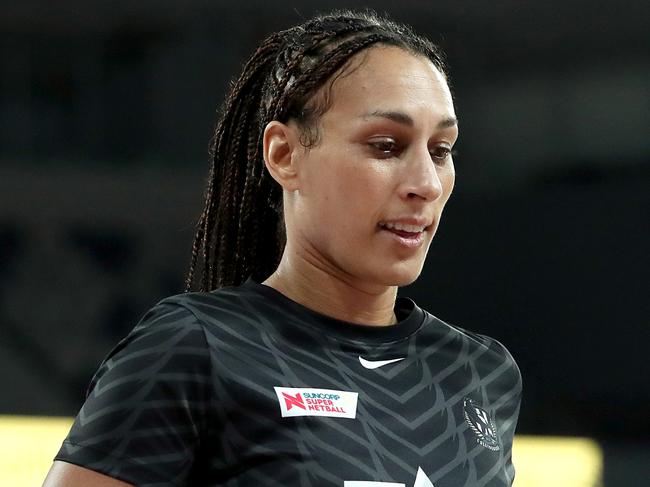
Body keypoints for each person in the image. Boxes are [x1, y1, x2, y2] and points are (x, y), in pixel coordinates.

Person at [43, 10, 521, 487]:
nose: (426, 184)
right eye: (385, 145)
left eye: (441, 150)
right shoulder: (196, 348)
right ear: (284, 155)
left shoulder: (480, 372)